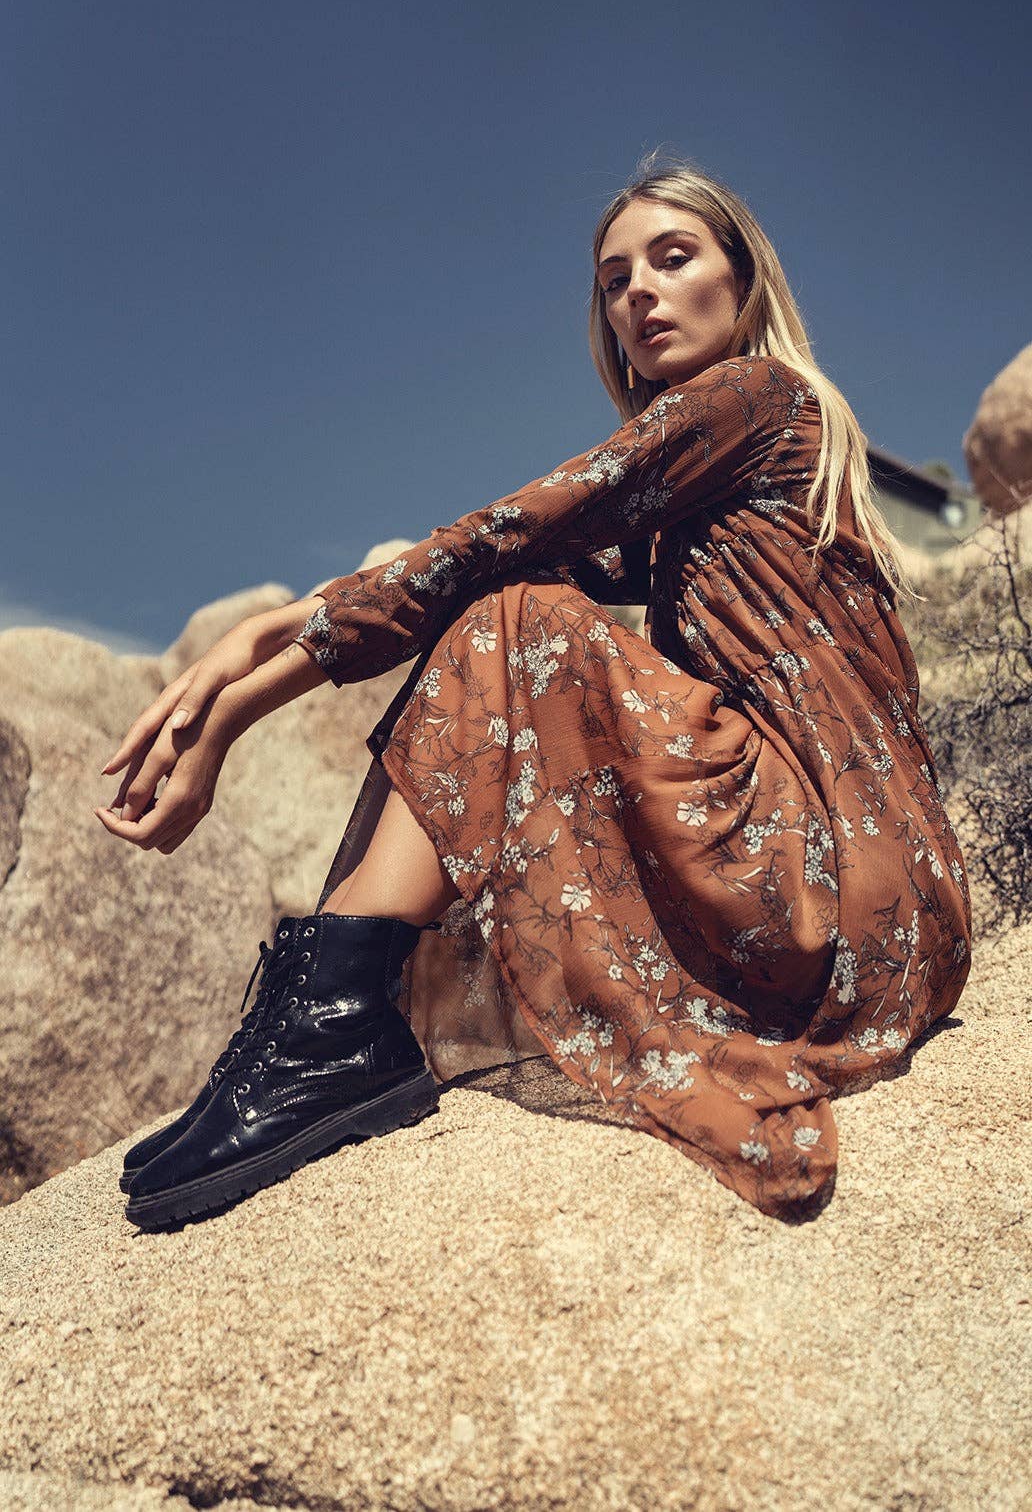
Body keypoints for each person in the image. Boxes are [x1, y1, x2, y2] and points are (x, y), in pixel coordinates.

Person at [96, 156, 972, 1230]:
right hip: (862, 907)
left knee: (516, 614)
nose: (640, 293)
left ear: (742, 285)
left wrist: (247, 682)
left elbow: (512, 534)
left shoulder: (755, 396)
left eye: (673, 258)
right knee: (507, 601)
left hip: (828, 885)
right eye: (615, 280)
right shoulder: (700, 496)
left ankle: (336, 1015)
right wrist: (283, 635)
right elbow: (478, 559)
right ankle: (329, 1004)